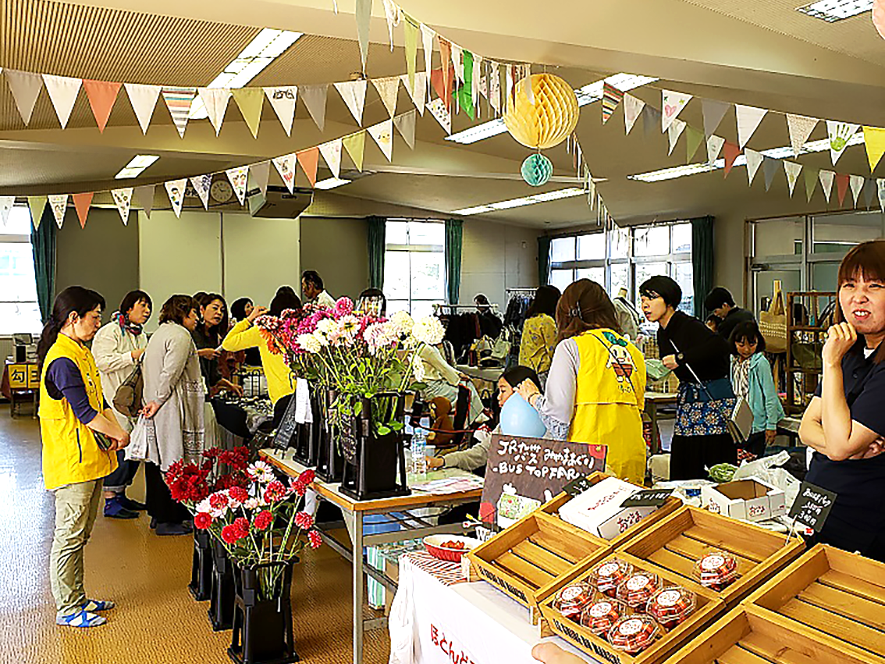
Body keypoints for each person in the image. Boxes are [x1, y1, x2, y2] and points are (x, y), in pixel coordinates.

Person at [37, 286, 130, 628]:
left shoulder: (81, 352)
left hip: (90, 458)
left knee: (81, 534)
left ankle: (77, 598)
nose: (98, 324)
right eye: (94, 317)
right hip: (71, 462)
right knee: (69, 535)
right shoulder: (62, 359)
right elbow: (84, 412)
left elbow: (100, 402)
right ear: (73, 318)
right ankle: (67, 608)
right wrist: (118, 433)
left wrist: (118, 427)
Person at [799, 240, 885, 562]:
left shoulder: (838, 356)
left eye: (874, 286)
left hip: (863, 516)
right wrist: (847, 452)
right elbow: (807, 428)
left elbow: (838, 444)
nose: (858, 296)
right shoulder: (848, 349)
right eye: (849, 285)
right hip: (816, 502)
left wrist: (830, 363)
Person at [518, 280, 647, 485]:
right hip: (632, 454)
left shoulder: (571, 347)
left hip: (590, 457)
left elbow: (558, 419)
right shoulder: (633, 351)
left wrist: (532, 397)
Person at [641, 276, 736, 480]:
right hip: (689, 400)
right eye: (642, 300)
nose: (645, 305)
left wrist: (680, 358)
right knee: (685, 457)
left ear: (669, 301)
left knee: (712, 460)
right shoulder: (662, 332)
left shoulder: (687, 324)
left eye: (651, 298)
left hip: (711, 400)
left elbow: (720, 346)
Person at [140, 295, 206, 536]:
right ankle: (169, 518)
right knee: (174, 460)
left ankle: (158, 514)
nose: (198, 319)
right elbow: (171, 372)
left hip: (157, 402)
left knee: (158, 460)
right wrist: (158, 400)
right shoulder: (180, 335)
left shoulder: (160, 333)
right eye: (194, 313)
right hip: (169, 404)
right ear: (183, 313)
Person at [92, 289, 152, 520]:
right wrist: (132, 355)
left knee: (134, 450)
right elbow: (103, 362)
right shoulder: (110, 332)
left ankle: (121, 494)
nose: (146, 311)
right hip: (113, 398)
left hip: (133, 400)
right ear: (128, 308)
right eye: (142, 306)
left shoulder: (140, 334)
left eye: (148, 307)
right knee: (119, 447)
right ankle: (110, 501)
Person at [427, 366, 543, 472]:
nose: (498, 397)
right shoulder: (505, 425)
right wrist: (442, 461)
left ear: (521, 392)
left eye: (503, 391)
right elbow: (481, 452)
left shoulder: (549, 423)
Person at [222, 289, 302, 427]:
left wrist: (248, 320)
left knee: (285, 445)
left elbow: (228, 343)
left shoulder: (264, 331)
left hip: (281, 398)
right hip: (306, 396)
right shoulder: (304, 330)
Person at [729, 321, 785, 458]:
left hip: (756, 426)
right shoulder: (733, 361)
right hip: (737, 425)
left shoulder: (760, 363)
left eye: (752, 344)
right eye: (741, 345)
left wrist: (771, 425)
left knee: (753, 462)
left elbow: (770, 396)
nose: (746, 349)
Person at [418, 343, 485, 425]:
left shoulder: (440, 346)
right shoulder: (427, 349)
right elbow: (444, 368)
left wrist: (459, 375)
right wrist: (458, 378)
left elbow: (447, 366)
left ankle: (477, 415)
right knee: (465, 392)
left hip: (435, 384)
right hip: (433, 388)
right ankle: (474, 419)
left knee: (467, 384)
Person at [192, 293, 242, 397]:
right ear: (202, 309)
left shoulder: (213, 336)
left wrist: (231, 386)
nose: (219, 313)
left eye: (222, 310)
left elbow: (214, 376)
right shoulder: (191, 333)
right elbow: (180, 357)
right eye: (215, 308)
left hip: (205, 392)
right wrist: (202, 353)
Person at [519, 285, 560, 383]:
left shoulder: (529, 319)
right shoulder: (547, 321)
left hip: (526, 368)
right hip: (541, 370)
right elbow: (553, 349)